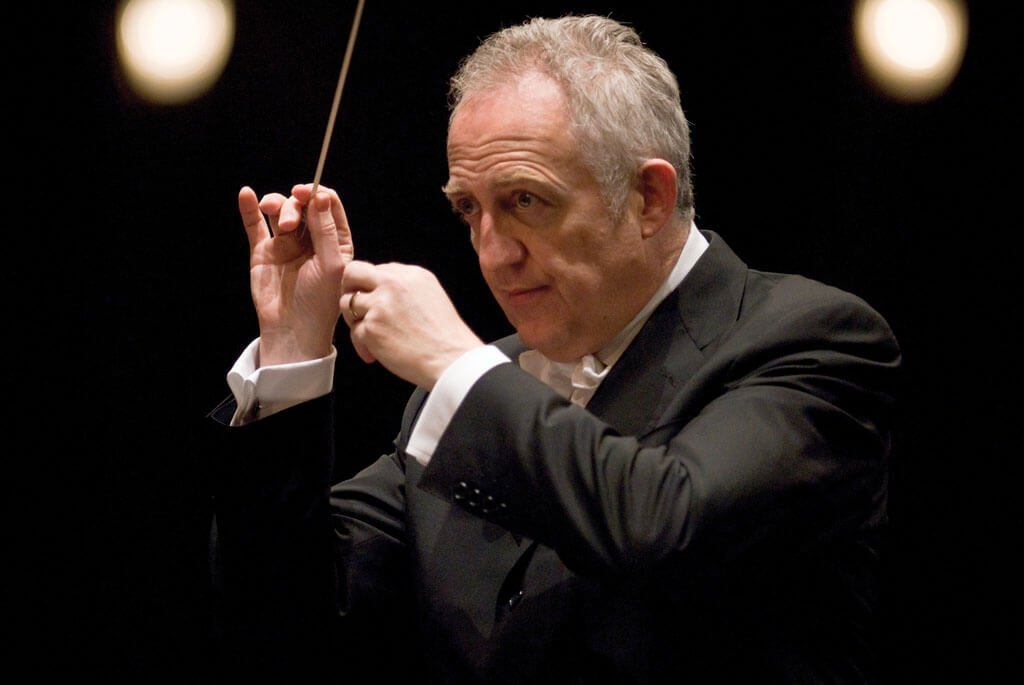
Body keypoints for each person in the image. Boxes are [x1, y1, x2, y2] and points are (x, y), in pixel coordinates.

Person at [209, 15, 900, 683]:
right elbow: (283, 622)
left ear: (649, 197)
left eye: (525, 201)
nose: (492, 254)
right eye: (469, 209)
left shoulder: (814, 340)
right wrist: (293, 351)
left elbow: (666, 525)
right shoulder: (460, 394)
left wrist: (459, 365)